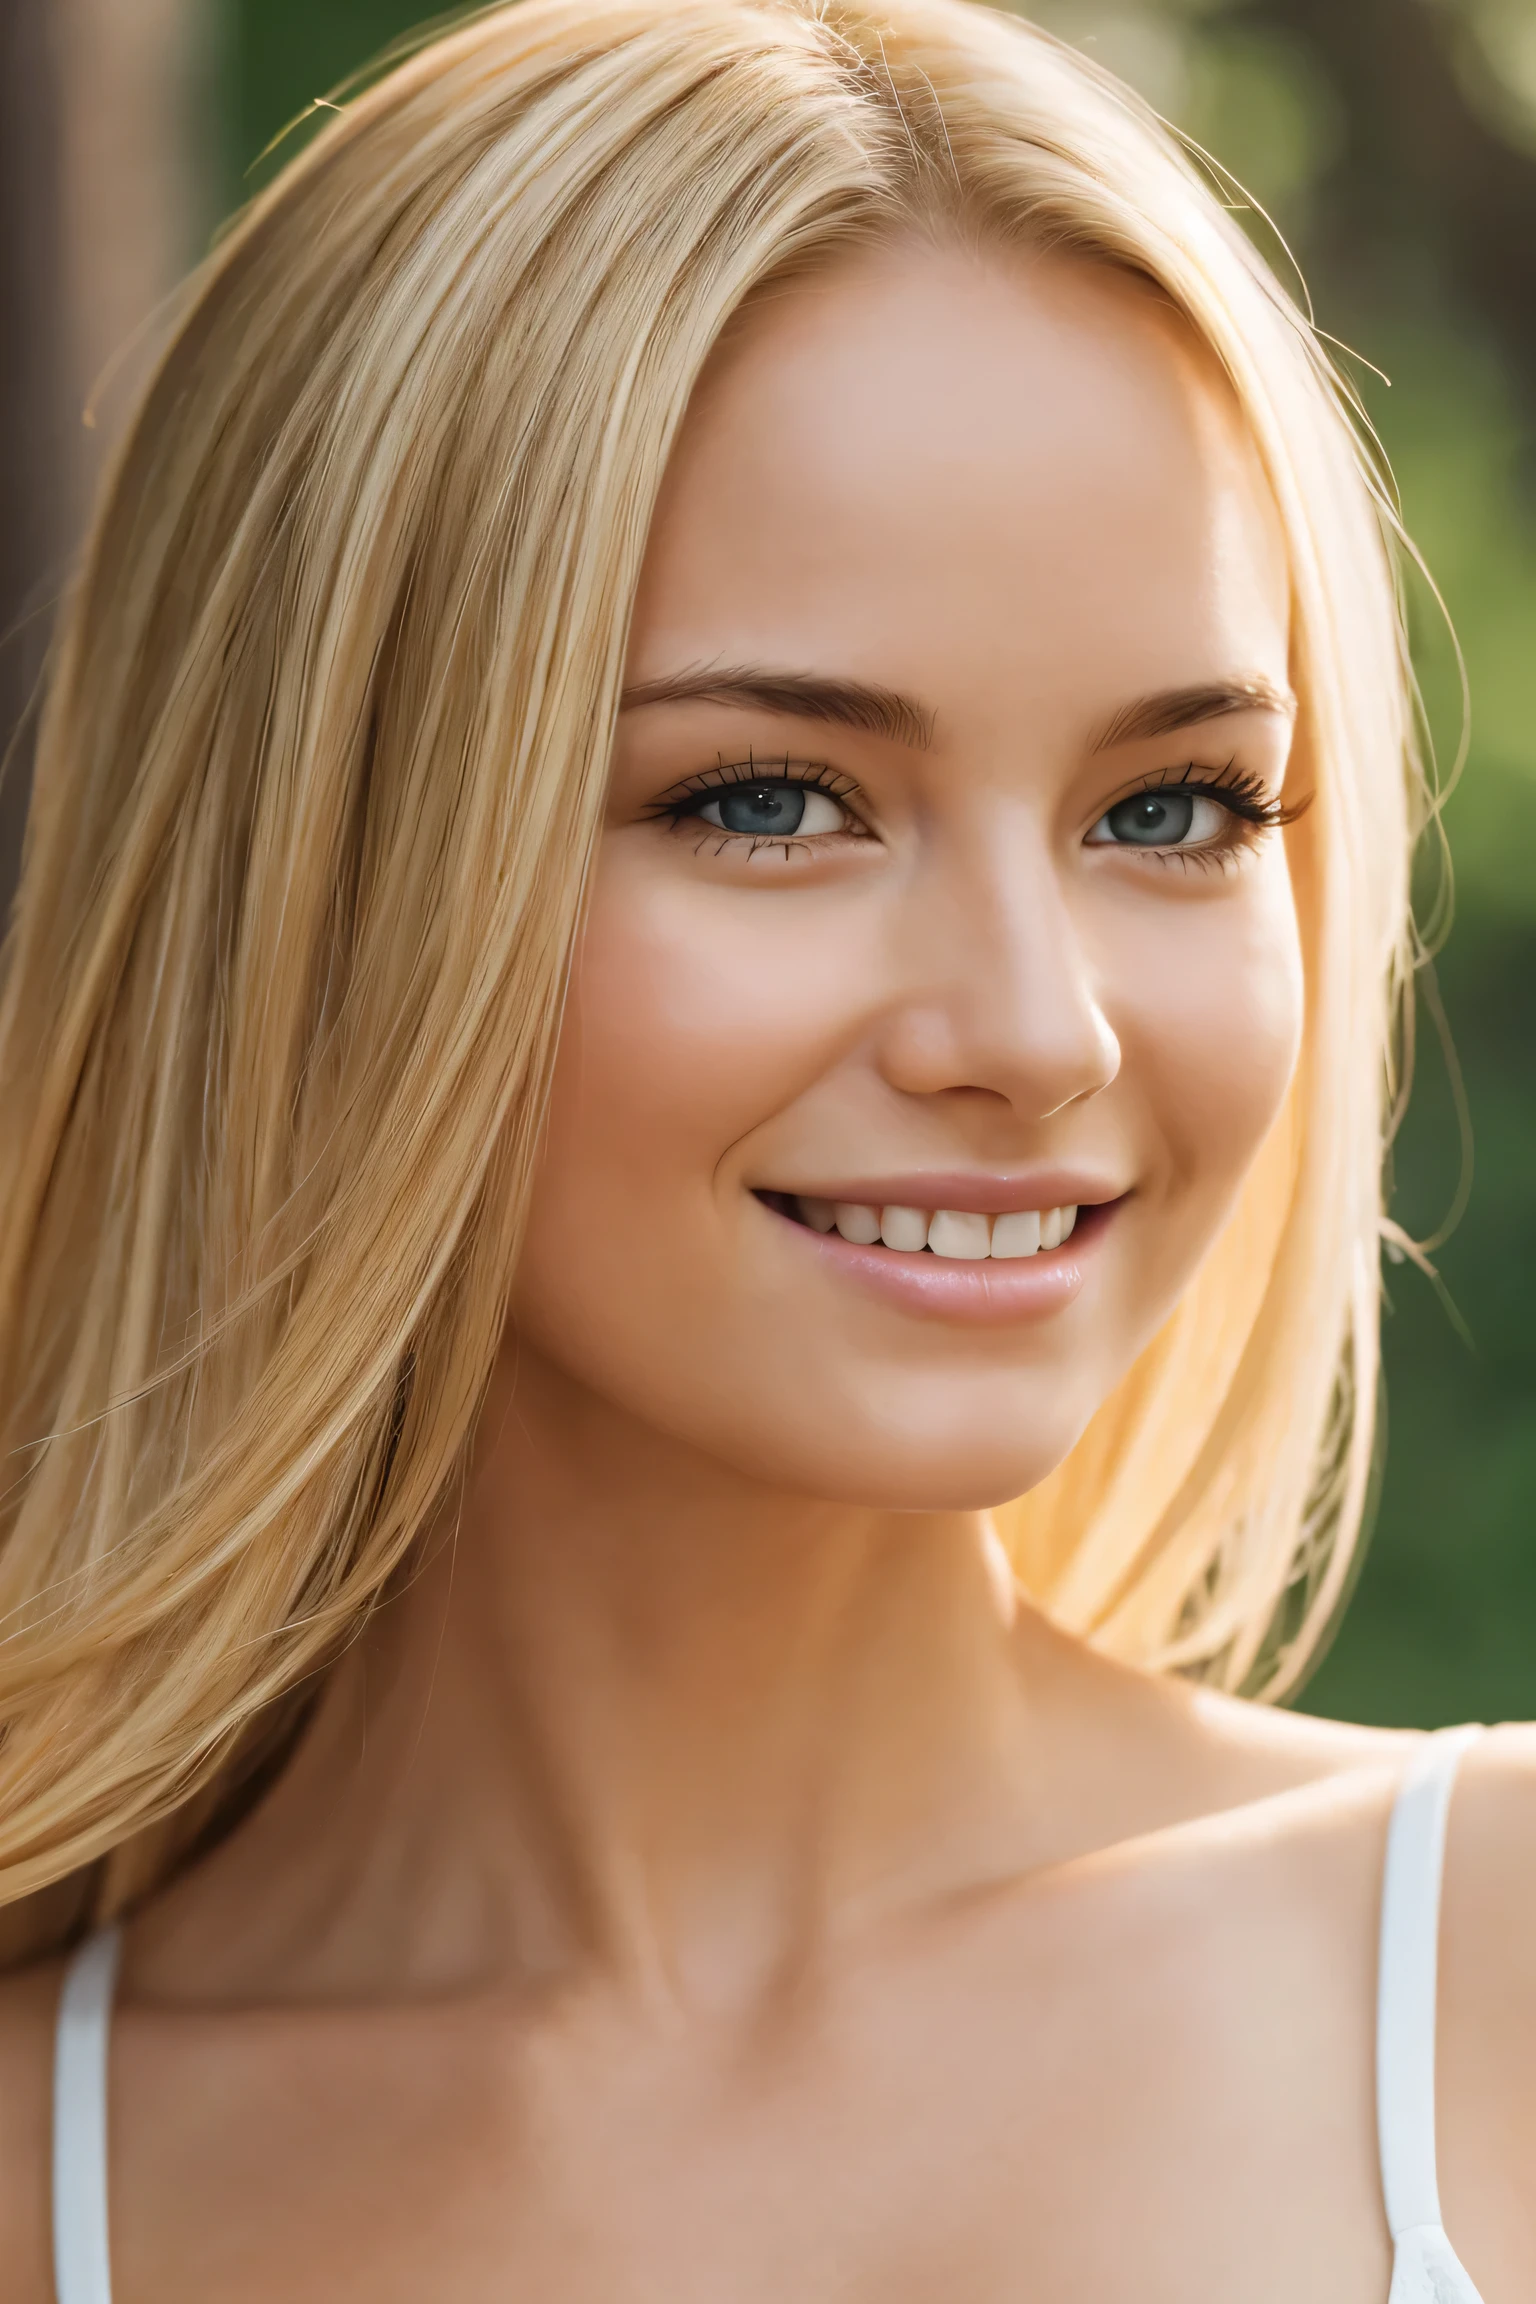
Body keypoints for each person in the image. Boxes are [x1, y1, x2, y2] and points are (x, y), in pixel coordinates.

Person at [0, 0, 1531, 2294]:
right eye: (769, 801)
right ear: (317, 866)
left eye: (1173, 809)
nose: (1035, 1029)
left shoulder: (1483, 1993)